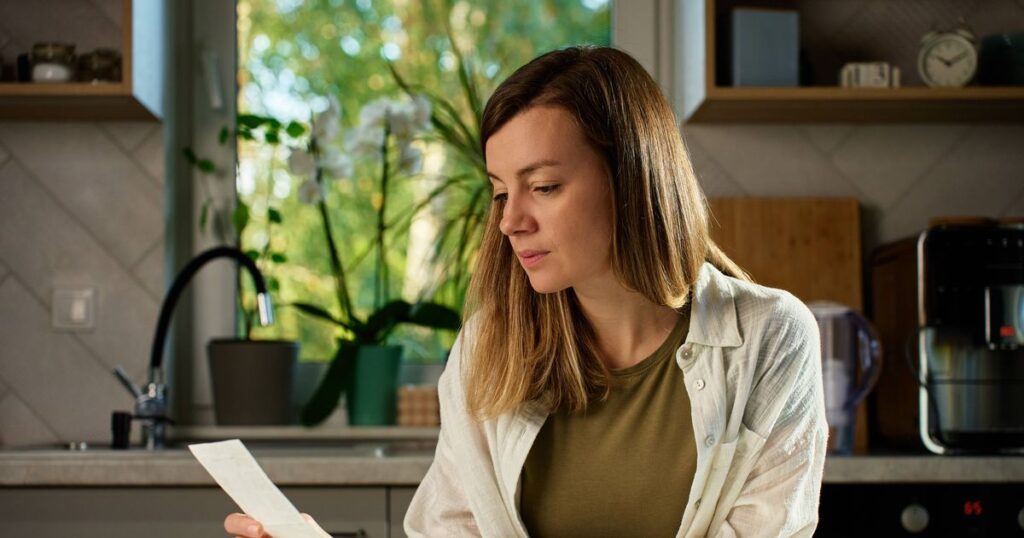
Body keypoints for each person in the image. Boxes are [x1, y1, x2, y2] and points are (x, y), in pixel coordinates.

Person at [225, 45, 826, 538]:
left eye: (542, 186)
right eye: (500, 192)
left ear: (633, 178)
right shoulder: (488, 348)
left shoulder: (769, 338)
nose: (511, 221)